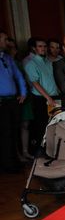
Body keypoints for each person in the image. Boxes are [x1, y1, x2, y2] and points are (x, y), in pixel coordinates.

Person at [24, 37, 60, 152]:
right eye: (40, 46)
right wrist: (48, 98)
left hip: (54, 97)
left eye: (44, 46)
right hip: (42, 99)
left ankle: (53, 151)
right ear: (34, 48)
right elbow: (35, 83)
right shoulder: (31, 64)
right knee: (43, 126)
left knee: (55, 125)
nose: (43, 48)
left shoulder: (48, 62)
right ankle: (42, 152)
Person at [0, 30, 27, 173]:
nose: (7, 42)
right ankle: (7, 165)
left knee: (14, 131)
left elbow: (19, 75)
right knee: (4, 134)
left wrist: (23, 92)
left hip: (12, 101)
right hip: (1, 102)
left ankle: (14, 162)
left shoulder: (7, 58)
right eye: (4, 40)